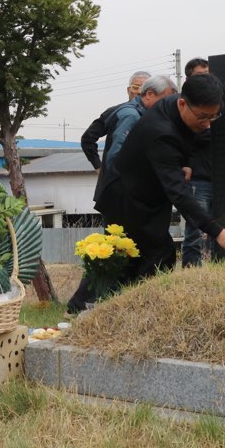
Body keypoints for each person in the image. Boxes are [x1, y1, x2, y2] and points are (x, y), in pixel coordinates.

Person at [96, 73, 225, 284]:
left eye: (213, 117)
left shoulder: (174, 104)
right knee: (126, 263)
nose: (207, 124)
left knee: (157, 258)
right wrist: (218, 232)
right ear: (183, 103)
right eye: (203, 117)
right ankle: (89, 302)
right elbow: (179, 192)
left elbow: (187, 142)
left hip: (151, 195)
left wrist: (184, 163)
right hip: (127, 200)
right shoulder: (161, 133)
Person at [68, 75, 178, 314]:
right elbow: (118, 157)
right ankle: (83, 303)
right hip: (123, 198)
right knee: (120, 251)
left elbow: (90, 139)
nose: (169, 106)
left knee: (121, 251)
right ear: (149, 94)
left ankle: (108, 302)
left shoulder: (127, 111)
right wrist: (106, 171)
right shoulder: (131, 116)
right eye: (166, 99)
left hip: (120, 195)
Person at [80, 70, 151, 171]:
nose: (139, 92)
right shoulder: (114, 112)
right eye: (135, 87)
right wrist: (99, 167)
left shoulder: (155, 115)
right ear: (128, 90)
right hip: (116, 175)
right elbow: (87, 139)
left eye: (143, 89)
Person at [179, 58, 213, 267]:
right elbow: (190, 137)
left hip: (220, 176)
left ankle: (220, 267)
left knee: (222, 225)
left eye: (208, 75)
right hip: (197, 178)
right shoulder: (183, 105)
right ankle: (191, 269)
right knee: (194, 228)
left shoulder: (216, 101)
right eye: (200, 76)